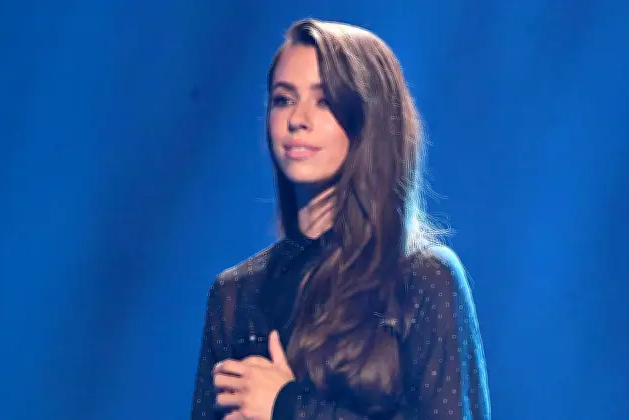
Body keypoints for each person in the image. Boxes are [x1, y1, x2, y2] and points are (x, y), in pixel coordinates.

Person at [190, 18, 491, 420]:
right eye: (283, 99)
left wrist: (287, 407)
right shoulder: (235, 295)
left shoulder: (422, 279)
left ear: (369, 120)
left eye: (324, 101)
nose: (297, 119)